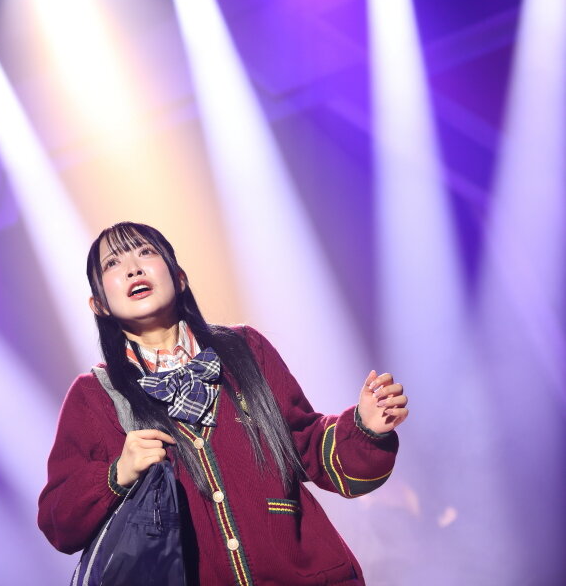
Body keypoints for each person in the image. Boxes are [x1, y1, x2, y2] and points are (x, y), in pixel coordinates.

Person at [38, 222, 409, 585]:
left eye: (146, 252)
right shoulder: (94, 394)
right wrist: (117, 474)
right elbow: (58, 521)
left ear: (179, 278)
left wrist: (364, 428)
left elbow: (307, 445)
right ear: (99, 304)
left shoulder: (245, 349)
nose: (133, 268)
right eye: (113, 263)